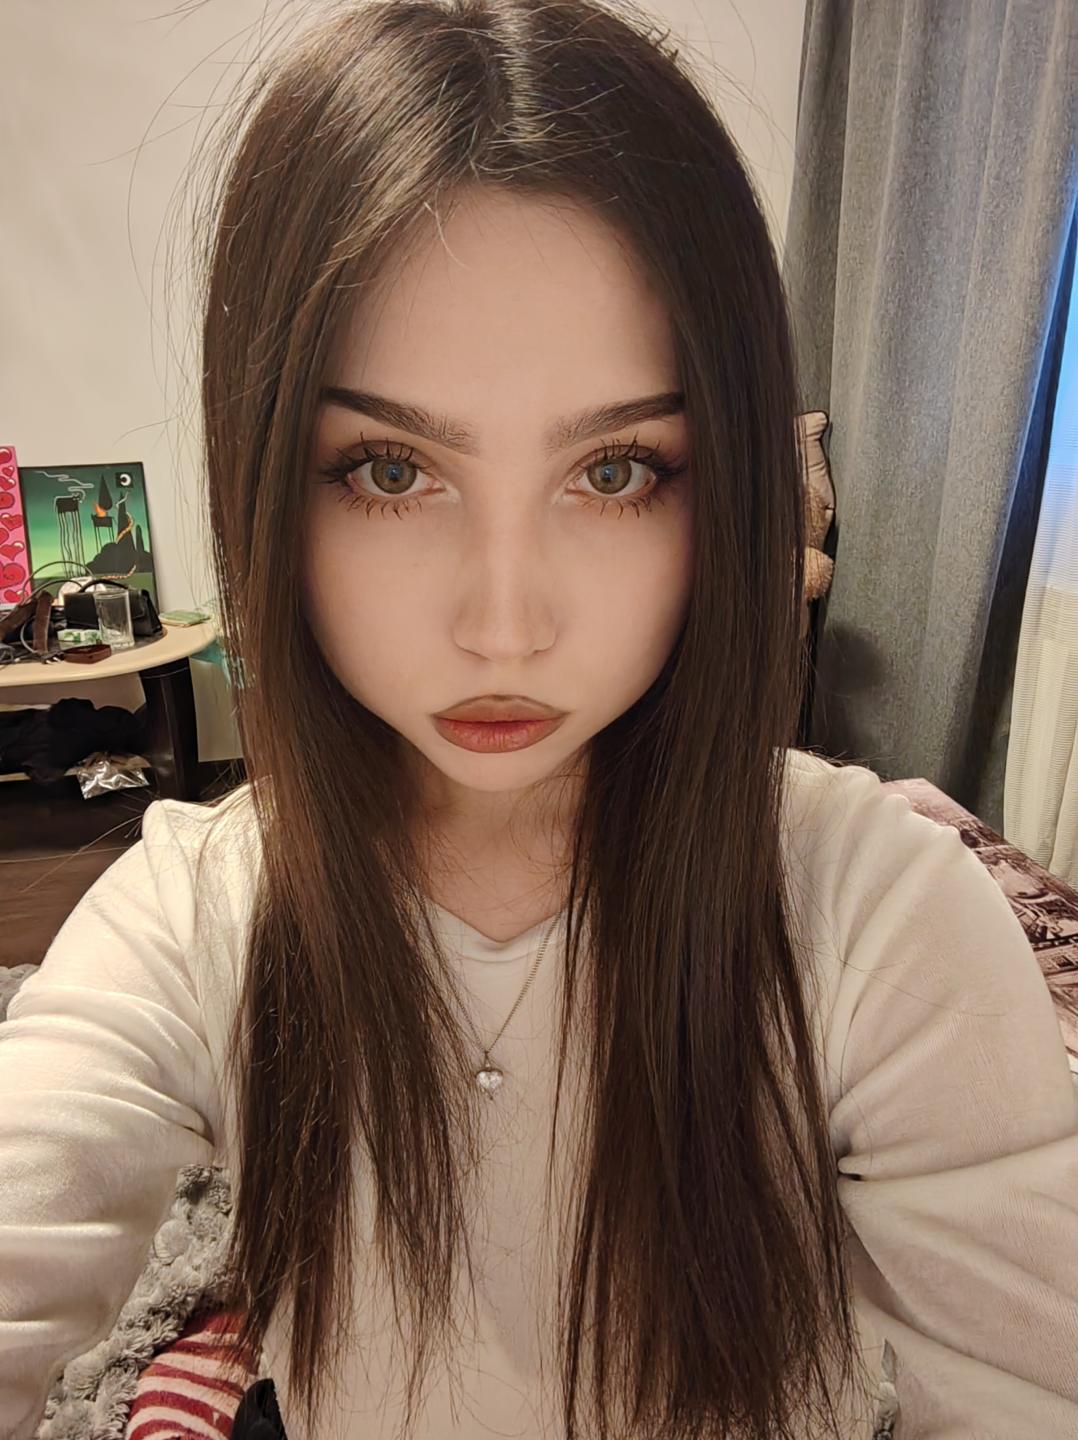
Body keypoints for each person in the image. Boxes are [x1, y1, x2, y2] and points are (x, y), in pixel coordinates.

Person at [2, 1, 1076, 1437]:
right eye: (390, 471)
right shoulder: (198, 915)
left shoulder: (874, 914)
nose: (504, 625)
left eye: (615, 470)